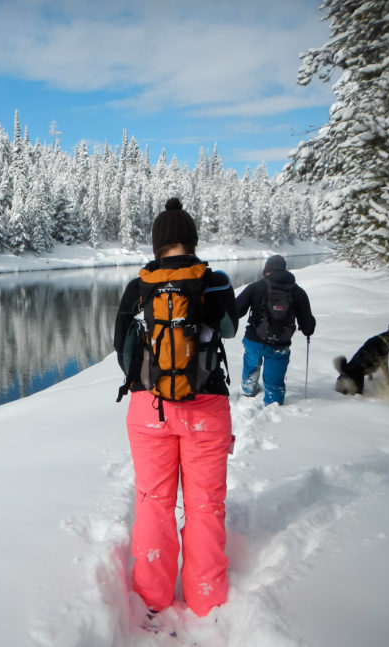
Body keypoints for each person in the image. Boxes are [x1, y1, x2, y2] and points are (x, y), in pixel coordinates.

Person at [113, 198, 237, 619]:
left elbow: (122, 350)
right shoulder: (215, 280)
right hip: (206, 408)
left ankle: (153, 597)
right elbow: (230, 329)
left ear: (156, 243)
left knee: (153, 502)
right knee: (205, 504)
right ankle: (206, 597)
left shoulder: (137, 287)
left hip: (149, 409)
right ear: (192, 239)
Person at [235, 255, 315, 406]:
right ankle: (273, 402)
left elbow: (236, 310)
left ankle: (248, 388)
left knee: (251, 364)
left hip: (253, 341)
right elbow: (308, 327)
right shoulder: (298, 292)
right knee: (275, 380)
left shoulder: (256, 287)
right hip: (280, 344)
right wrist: (308, 330)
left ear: (267, 271)